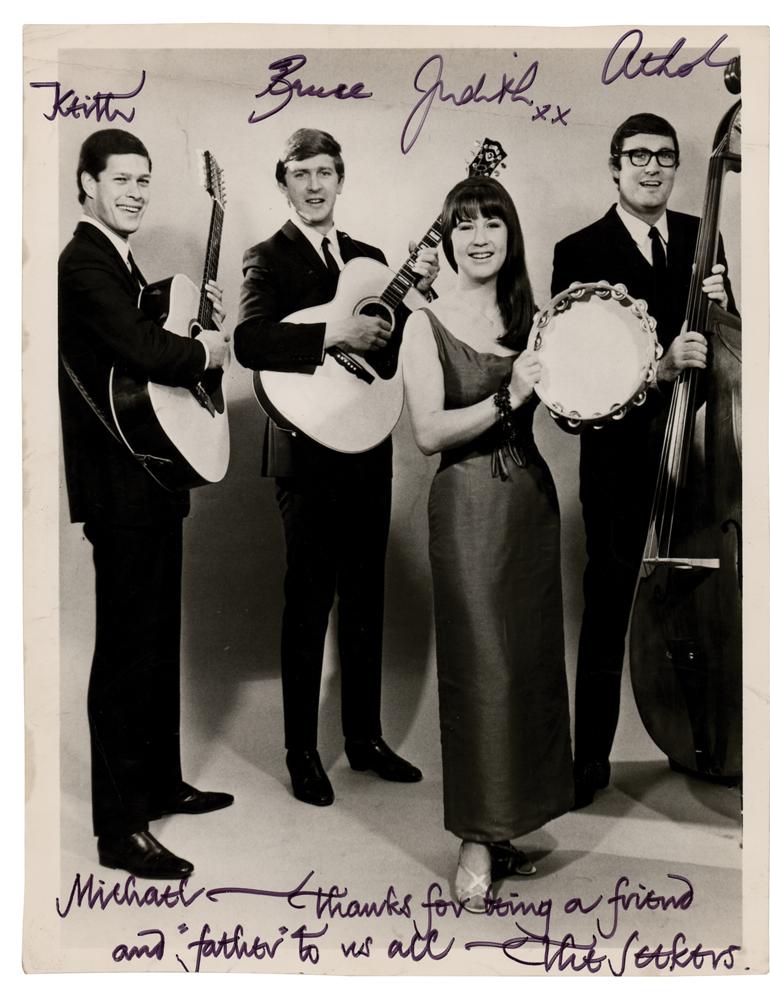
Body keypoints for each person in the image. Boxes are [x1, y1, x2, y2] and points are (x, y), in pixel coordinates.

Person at [234, 128, 439, 807]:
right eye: (302, 173)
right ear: (283, 183)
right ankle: (300, 752)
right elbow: (249, 340)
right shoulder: (267, 257)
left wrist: (411, 301)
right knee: (309, 600)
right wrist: (333, 334)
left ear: (341, 179)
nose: (315, 184)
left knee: (366, 595)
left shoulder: (370, 261)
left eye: (326, 171)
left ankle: (365, 738)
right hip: (305, 447)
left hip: (367, 443)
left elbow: (387, 357)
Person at [59, 128, 234, 879]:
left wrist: (196, 315)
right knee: (126, 654)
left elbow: (148, 335)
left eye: (144, 181)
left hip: (153, 477)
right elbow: (143, 352)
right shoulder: (82, 262)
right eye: (121, 179)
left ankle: (160, 784)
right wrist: (207, 350)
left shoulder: (123, 264)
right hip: (119, 488)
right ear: (87, 184)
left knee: (158, 642)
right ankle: (119, 828)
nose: (134, 192)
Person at [550, 113, 737, 808]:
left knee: (702, 607)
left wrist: (725, 312)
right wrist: (658, 370)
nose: (652, 167)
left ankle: (703, 740)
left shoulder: (700, 235)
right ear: (614, 166)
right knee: (608, 611)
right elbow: (573, 369)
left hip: (697, 459)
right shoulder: (578, 250)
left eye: (664, 156)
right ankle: (589, 762)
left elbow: (729, 357)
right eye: (638, 156)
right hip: (618, 463)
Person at [401, 176, 574, 912]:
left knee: (527, 668)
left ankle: (508, 826)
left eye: (492, 223)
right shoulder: (423, 323)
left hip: (530, 504)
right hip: (468, 506)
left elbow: (572, 402)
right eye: (465, 225)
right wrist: (511, 396)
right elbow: (428, 432)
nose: (479, 238)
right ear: (447, 239)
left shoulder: (535, 318)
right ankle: (474, 837)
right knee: (482, 671)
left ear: (511, 235)